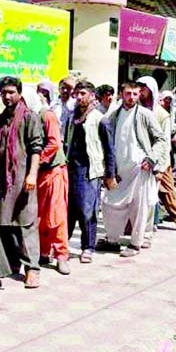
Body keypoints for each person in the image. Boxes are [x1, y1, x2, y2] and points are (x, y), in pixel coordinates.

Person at [0, 76, 43, 288]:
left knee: (26, 222)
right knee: (4, 224)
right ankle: (11, 264)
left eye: (11, 92)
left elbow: (36, 148)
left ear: (19, 93)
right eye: (4, 93)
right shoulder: (0, 119)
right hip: (2, 180)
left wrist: (32, 174)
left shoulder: (29, 117)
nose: (7, 96)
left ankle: (33, 268)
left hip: (22, 178)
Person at [101, 81, 166, 257]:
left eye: (135, 94)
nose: (131, 97)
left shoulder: (145, 114)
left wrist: (151, 158)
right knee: (109, 203)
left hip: (140, 168)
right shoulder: (114, 115)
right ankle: (112, 239)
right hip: (120, 170)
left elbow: (161, 140)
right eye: (128, 93)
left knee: (139, 207)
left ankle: (135, 244)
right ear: (121, 94)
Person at [137, 77, 176, 234]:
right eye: (139, 87)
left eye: (144, 87)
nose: (140, 91)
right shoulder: (134, 109)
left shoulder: (161, 114)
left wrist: (160, 167)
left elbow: (164, 143)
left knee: (168, 192)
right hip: (138, 160)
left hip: (159, 161)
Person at [62, 81, 106, 264]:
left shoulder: (99, 118)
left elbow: (109, 149)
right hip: (71, 167)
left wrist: (109, 174)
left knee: (87, 210)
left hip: (90, 170)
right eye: (77, 94)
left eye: (83, 94)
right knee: (69, 209)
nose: (79, 97)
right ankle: (62, 246)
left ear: (92, 96)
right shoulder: (72, 117)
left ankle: (87, 247)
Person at [29, 89, 70, 274]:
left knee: (56, 215)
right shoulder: (28, 117)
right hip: (38, 173)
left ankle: (61, 255)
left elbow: (54, 143)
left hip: (53, 170)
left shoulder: (47, 116)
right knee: (41, 215)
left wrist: (37, 162)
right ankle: (44, 252)